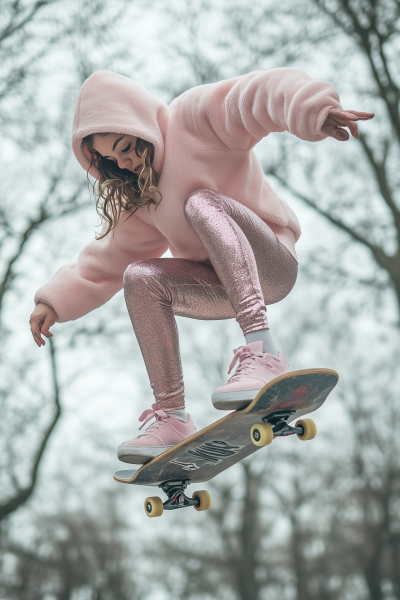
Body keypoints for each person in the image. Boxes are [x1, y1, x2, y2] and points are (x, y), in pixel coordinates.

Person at [29, 69, 373, 464]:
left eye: (126, 146)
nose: (123, 162)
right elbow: (103, 261)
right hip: (216, 286)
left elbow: (255, 96)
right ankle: (171, 416)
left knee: (200, 203)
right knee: (138, 277)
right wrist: (54, 302)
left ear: (141, 124)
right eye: (111, 159)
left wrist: (312, 109)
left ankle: (264, 352)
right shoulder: (140, 198)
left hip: (271, 263)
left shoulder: (192, 120)